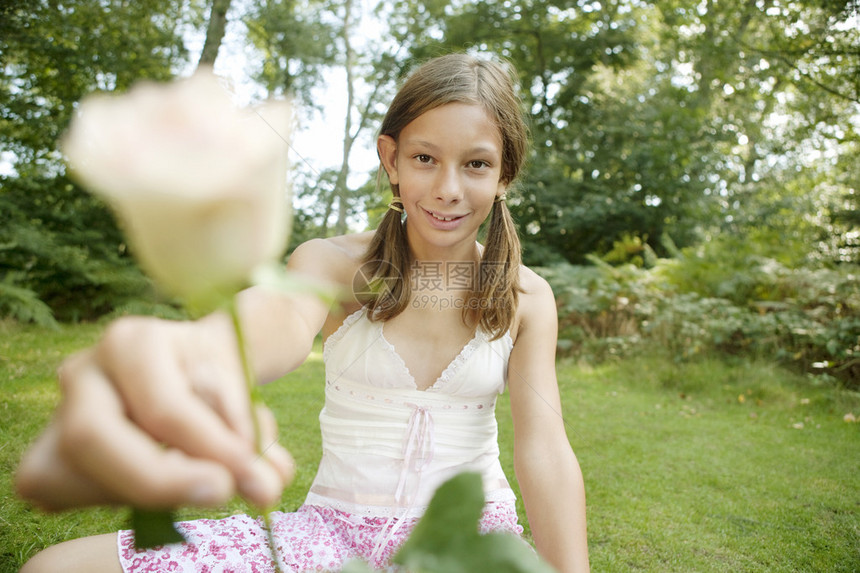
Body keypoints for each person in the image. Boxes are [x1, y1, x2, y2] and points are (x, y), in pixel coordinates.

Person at [15, 53, 590, 573]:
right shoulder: (332, 265)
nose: (447, 188)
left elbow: (543, 447)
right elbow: (276, 320)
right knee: (56, 568)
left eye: (476, 164)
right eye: (424, 157)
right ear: (391, 159)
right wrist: (198, 356)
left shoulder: (527, 297)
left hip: (468, 543)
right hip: (330, 537)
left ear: (504, 174)